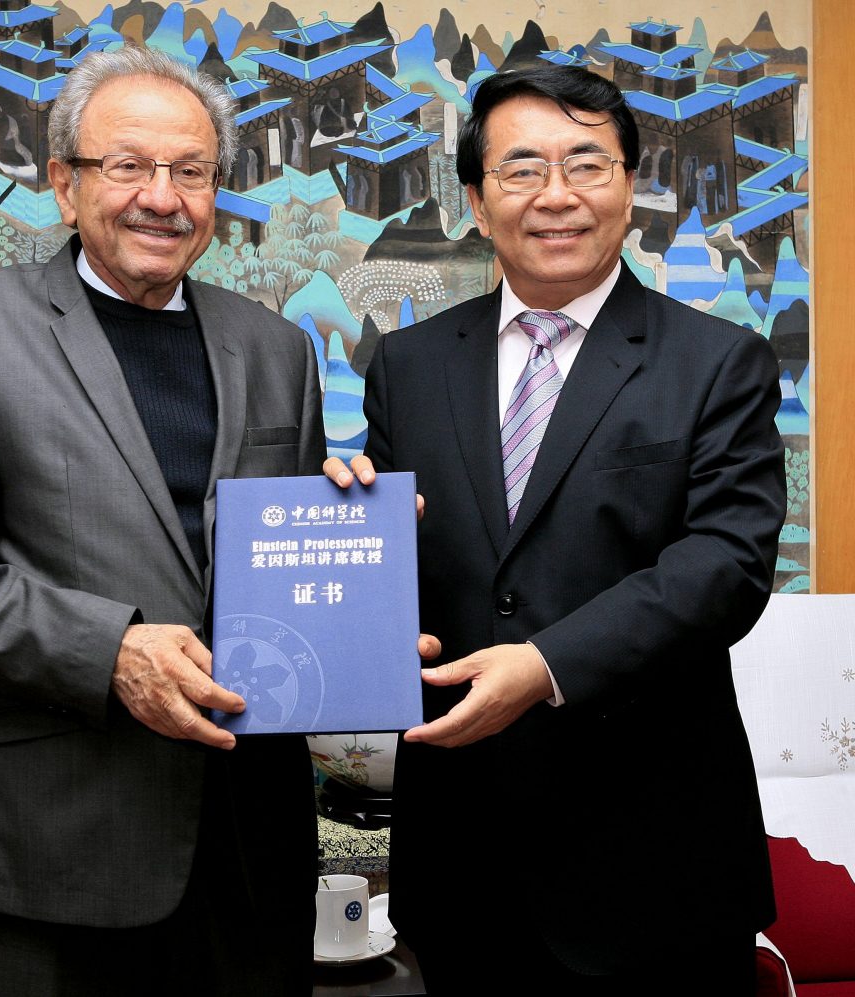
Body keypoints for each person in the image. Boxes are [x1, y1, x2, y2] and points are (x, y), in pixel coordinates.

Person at [0, 46, 325, 997]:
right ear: (64, 184)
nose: (162, 197)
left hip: (250, 856)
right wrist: (109, 650)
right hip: (52, 849)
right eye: (128, 166)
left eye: (190, 171)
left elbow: (281, 564)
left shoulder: (277, 348)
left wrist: (356, 556)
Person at [326, 65, 785, 994]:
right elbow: (408, 567)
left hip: (656, 860)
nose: (557, 195)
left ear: (629, 185)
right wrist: (354, 539)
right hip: (462, 860)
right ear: (477, 200)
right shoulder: (408, 365)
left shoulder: (717, 361)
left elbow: (725, 566)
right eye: (523, 168)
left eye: (586, 164)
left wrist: (545, 665)